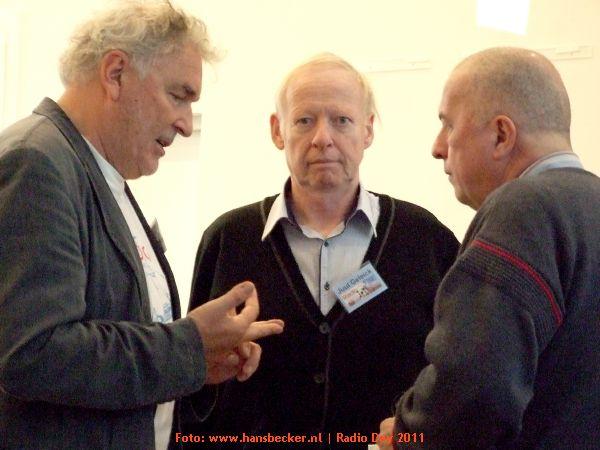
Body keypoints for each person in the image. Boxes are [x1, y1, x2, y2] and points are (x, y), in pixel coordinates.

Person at [0, 2, 283, 449]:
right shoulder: (37, 162)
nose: (186, 124)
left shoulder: (98, 173)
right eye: (179, 96)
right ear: (115, 74)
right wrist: (188, 345)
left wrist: (196, 361)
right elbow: (35, 353)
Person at [183, 53, 459, 448]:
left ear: (368, 130)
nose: (322, 138)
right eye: (304, 120)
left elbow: (453, 380)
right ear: (278, 131)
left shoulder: (425, 242)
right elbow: (194, 391)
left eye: (341, 120)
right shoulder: (229, 240)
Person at [378, 47, 600, 449]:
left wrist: (409, 434)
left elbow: (474, 389)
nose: (438, 147)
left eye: (448, 125)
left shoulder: (523, 208)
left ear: (501, 135)